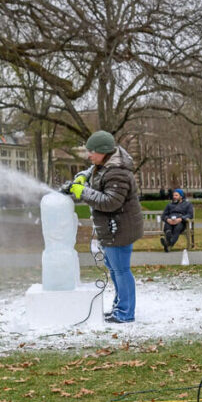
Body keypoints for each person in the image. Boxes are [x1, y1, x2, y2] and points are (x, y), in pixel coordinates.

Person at [67, 130, 144, 324]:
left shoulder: (117, 172)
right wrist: (82, 177)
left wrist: (83, 192)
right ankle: (120, 307)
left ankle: (125, 312)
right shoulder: (103, 166)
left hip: (120, 229)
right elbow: (92, 173)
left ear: (103, 152)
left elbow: (110, 202)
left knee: (121, 270)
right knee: (115, 269)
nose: (88, 155)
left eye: (92, 151)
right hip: (111, 229)